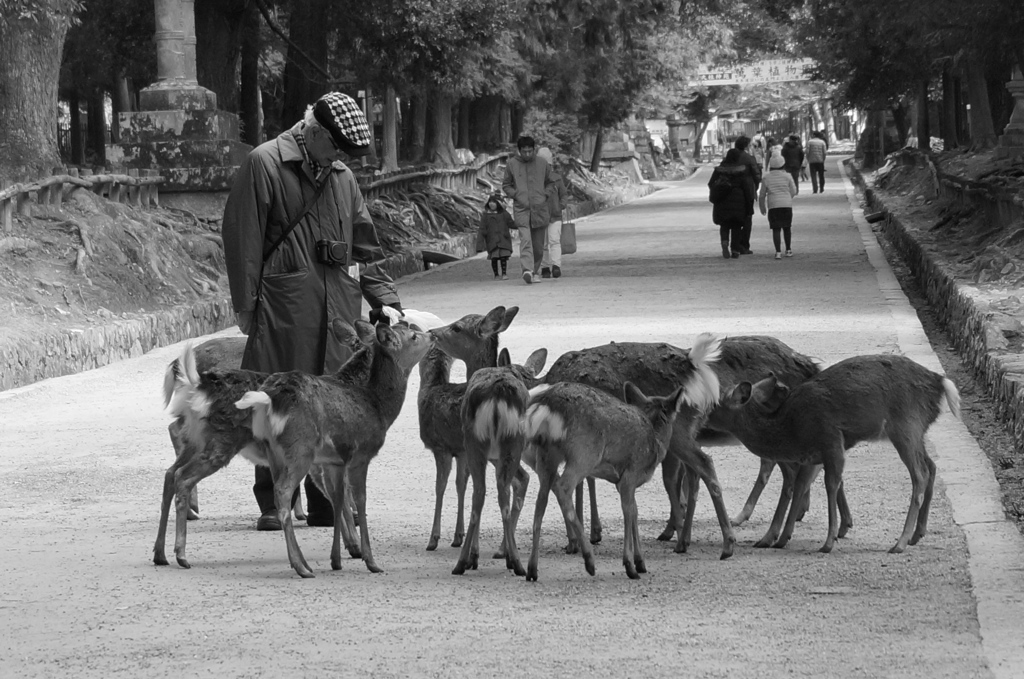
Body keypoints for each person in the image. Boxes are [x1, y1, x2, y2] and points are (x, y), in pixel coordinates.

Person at [222, 91, 404, 531]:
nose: (342, 158)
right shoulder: (265, 164)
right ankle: (273, 499)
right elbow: (243, 240)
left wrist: (388, 301)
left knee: (334, 400)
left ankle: (329, 502)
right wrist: (246, 307)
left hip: (338, 305)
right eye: (337, 148)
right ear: (315, 131)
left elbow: (366, 246)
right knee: (278, 397)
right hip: (284, 304)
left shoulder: (342, 177)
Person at [503, 135, 554, 285]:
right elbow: (506, 185)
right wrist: (516, 195)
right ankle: (527, 270)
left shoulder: (542, 163)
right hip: (521, 209)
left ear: (534, 150)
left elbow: (551, 183)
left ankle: (535, 271)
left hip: (540, 209)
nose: (527, 154)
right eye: (524, 151)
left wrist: (545, 195)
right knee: (525, 240)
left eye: (529, 151)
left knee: (538, 247)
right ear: (519, 151)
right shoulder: (511, 164)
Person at [708, 148, 756, 259]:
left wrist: (718, 192)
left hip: (722, 202)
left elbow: (710, 183)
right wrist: (749, 206)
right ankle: (735, 250)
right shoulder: (741, 171)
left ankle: (724, 242)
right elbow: (746, 188)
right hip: (739, 203)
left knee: (724, 225)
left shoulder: (719, 170)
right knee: (736, 227)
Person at [758, 154, 799, 259]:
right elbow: (794, 191)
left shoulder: (766, 177)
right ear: (783, 165)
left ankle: (778, 252)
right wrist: (787, 197)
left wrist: (762, 207)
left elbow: (762, 194)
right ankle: (788, 250)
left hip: (773, 206)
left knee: (776, 229)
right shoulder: (788, 176)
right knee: (787, 228)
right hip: (786, 205)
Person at [537, 146, 567, 279]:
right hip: (540, 215)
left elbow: (564, 195)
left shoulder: (557, 178)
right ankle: (544, 267)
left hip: (555, 215)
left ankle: (556, 266)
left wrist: (560, 206)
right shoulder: (535, 180)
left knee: (554, 241)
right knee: (542, 243)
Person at [732, 135, 762, 255]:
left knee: (735, 220)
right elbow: (756, 175)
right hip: (747, 192)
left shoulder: (731, 157)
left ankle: (734, 245)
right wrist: (756, 187)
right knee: (747, 219)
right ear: (746, 146)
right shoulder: (749, 158)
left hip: (732, 192)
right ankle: (744, 245)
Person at [479, 193, 515, 280]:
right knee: (494, 258)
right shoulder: (485, 216)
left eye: (494, 202)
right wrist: (479, 245)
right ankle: (496, 274)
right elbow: (482, 230)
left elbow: (511, 223)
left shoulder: (504, 214)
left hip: (503, 239)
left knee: (503, 257)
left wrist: (522, 224)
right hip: (492, 240)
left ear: (498, 204)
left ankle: (504, 273)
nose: (491, 204)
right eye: (490, 202)